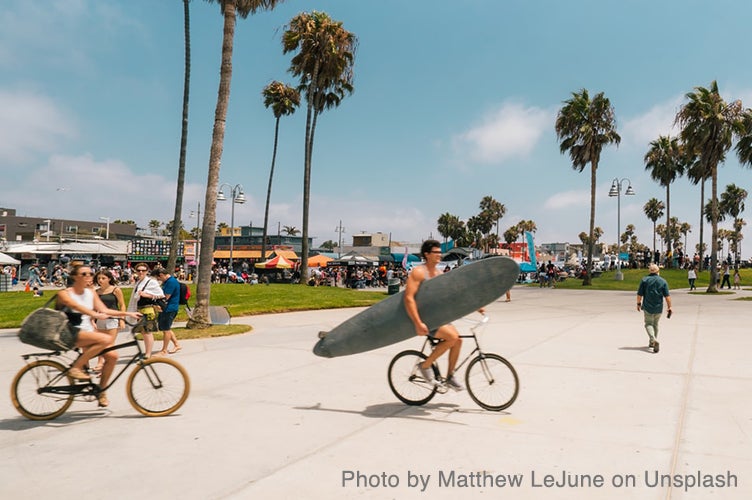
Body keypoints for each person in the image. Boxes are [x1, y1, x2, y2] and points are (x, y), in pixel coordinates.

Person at [55, 264, 141, 407]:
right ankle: (76, 368)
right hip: (69, 332)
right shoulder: (65, 293)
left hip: (86, 332)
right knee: (105, 339)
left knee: (113, 357)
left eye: (90, 274)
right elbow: (76, 306)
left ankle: (101, 392)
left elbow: (104, 309)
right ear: (75, 277)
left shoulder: (91, 293)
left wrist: (126, 314)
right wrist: (93, 314)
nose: (89, 277)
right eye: (84, 274)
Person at [404, 239, 479, 391]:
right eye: (436, 252)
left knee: (457, 341)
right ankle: (424, 366)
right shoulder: (419, 272)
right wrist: (418, 323)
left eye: (440, 252)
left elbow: (451, 295)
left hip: (439, 317)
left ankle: (450, 376)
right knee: (452, 338)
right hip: (426, 319)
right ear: (427, 254)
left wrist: (476, 306)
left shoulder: (438, 273)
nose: (439, 255)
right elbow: (409, 298)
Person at [127, 264, 165, 358]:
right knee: (143, 332)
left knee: (147, 332)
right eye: (139, 270)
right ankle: (147, 352)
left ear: (147, 271)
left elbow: (160, 295)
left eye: (143, 270)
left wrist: (146, 295)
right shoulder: (139, 282)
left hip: (147, 309)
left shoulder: (151, 282)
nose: (141, 272)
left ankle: (148, 354)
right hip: (139, 309)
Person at [94, 268, 126, 373]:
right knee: (100, 343)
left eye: (103, 278)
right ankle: (100, 362)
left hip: (113, 319)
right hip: (100, 319)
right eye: (99, 278)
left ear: (109, 279)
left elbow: (122, 305)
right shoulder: (97, 292)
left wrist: (122, 319)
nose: (100, 280)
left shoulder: (115, 290)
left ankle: (106, 364)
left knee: (110, 343)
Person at [637, 263, 672, 354]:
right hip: (658, 307)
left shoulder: (645, 280)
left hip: (648, 306)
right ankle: (652, 343)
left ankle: (653, 339)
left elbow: (639, 294)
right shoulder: (663, 281)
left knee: (648, 324)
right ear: (658, 271)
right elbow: (667, 296)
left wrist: (638, 303)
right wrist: (670, 307)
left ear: (649, 271)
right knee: (655, 324)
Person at [150, 267, 182, 356]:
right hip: (167, 308)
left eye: (158, 278)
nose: (158, 280)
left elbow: (165, 297)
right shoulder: (168, 281)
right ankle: (176, 344)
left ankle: (164, 350)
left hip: (169, 308)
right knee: (166, 327)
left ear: (161, 275)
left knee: (166, 330)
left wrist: (152, 297)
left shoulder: (171, 282)